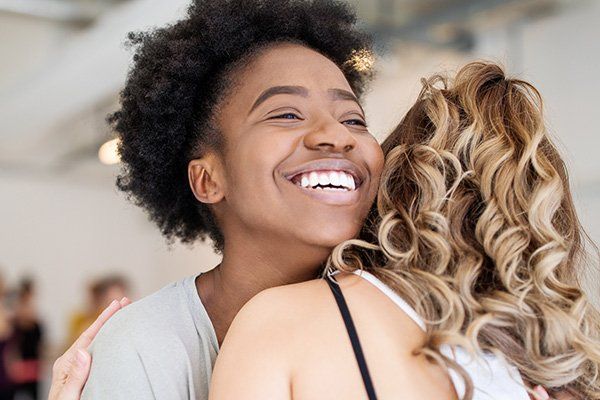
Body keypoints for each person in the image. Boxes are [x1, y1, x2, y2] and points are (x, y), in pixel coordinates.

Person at [208, 63, 600, 399]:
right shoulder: (566, 368)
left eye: (353, 121)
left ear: (396, 184)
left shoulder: (280, 321)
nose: (335, 138)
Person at [77, 0, 383, 399]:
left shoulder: (398, 318)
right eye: (287, 114)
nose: (337, 135)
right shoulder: (143, 347)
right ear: (208, 179)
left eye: (353, 120)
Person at [11, 279, 44, 400]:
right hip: (20, 364)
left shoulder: (35, 320)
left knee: (33, 393)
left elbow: (39, 344)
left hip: (32, 362)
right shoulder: (15, 321)